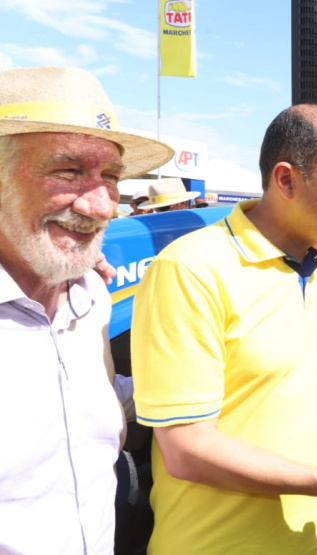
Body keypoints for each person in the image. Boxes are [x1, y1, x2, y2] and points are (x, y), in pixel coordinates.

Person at [130, 104, 317, 555]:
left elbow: (309, 370)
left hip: (314, 542)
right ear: (286, 180)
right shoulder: (190, 269)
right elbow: (186, 449)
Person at [0, 65, 173, 554]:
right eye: (68, 170)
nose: (100, 206)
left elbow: (90, 400)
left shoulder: (90, 295)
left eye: (112, 177)